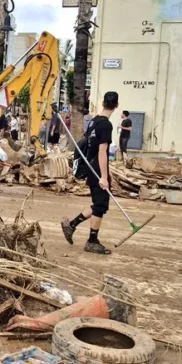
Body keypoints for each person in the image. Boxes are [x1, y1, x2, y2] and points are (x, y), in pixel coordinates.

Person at [60, 91, 119, 255]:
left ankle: (72, 225)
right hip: (97, 169)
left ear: (102, 103)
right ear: (117, 105)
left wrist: (104, 174)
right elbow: (102, 152)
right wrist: (104, 177)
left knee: (99, 204)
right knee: (100, 205)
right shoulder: (106, 125)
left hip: (92, 167)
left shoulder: (94, 122)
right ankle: (92, 241)